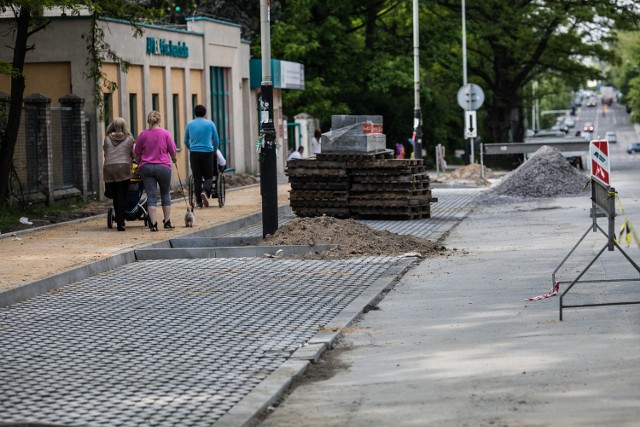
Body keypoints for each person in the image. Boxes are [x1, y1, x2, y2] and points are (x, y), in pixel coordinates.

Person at [134, 111, 177, 232]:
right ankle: (167, 221)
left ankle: (153, 224)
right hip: (163, 167)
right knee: (165, 193)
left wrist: (140, 163)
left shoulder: (142, 135)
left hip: (146, 167)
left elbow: (137, 153)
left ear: (149, 121)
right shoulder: (165, 133)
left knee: (151, 195)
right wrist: (174, 158)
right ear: (159, 120)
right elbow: (173, 151)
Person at [103, 118, 135, 231]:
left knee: (115, 196)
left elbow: (105, 152)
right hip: (123, 168)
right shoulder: (130, 139)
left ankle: (118, 218)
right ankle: (121, 222)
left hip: (109, 168)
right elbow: (134, 154)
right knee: (122, 196)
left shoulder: (107, 139)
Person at [184, 104, 219, 208]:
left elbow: (185, 140)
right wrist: (214, 151)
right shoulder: (210, 124)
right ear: (205, 113)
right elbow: (216, 140)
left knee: (197, 178)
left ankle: (199, 202)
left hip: (194, 153)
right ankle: (205, 191)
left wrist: (191, 148)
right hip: (207, 153)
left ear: (195, 113)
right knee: (209, 176)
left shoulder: (189, 124)